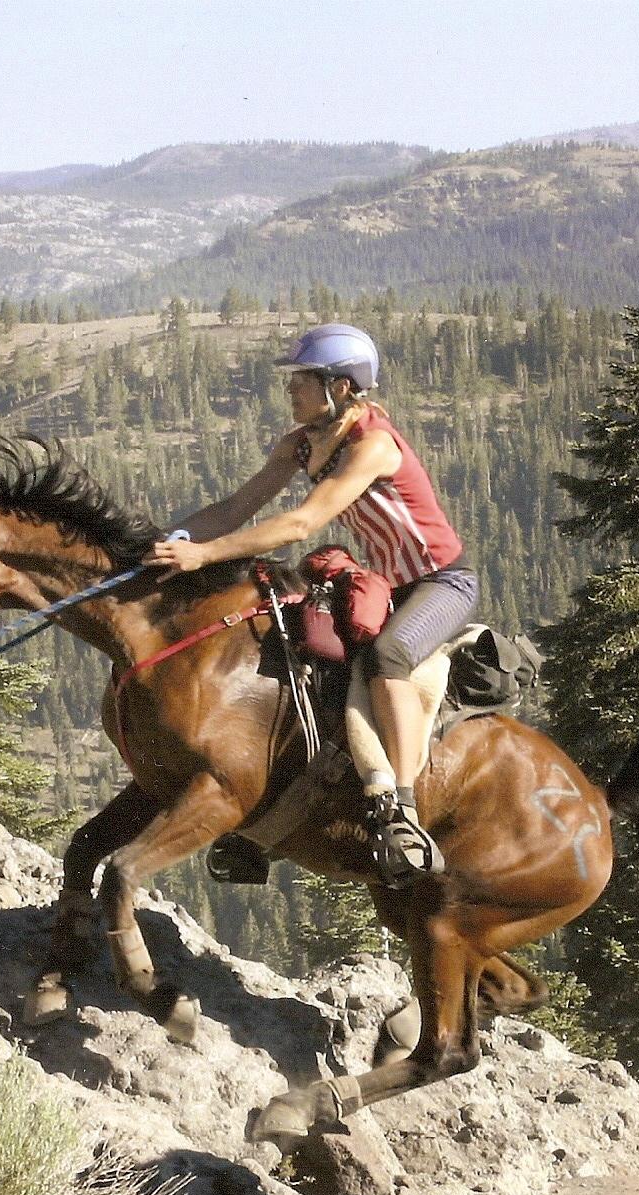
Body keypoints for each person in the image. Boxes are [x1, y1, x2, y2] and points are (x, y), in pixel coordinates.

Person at [146, 323, 478, 882]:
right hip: (392, 582)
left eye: (302, 380)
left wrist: (205, 557)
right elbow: (234, 507)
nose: (291, 391)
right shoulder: (303, 442)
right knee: (306, 661)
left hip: (443, 584)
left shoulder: (373, 445)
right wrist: (165, 541)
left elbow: (300, 522)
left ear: (340, 387)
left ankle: (401, 809)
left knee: (387, 658)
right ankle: (275, 819)